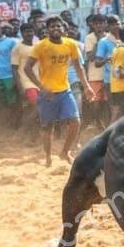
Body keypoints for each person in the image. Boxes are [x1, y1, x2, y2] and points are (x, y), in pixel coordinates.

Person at [24, 16, 92, 165]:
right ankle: (48, 157)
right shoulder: (41, 46)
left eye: (58, 26)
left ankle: (65, 152)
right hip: (47, 94)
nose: (55, 29)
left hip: (65, 90)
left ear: (63, 29)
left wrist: (86, 86)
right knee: (48, 128)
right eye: (52, 26)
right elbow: (27, 68)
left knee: (75, 121)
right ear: (47, 30)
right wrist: (41, 87)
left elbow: (78, 67)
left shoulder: (70, 44)